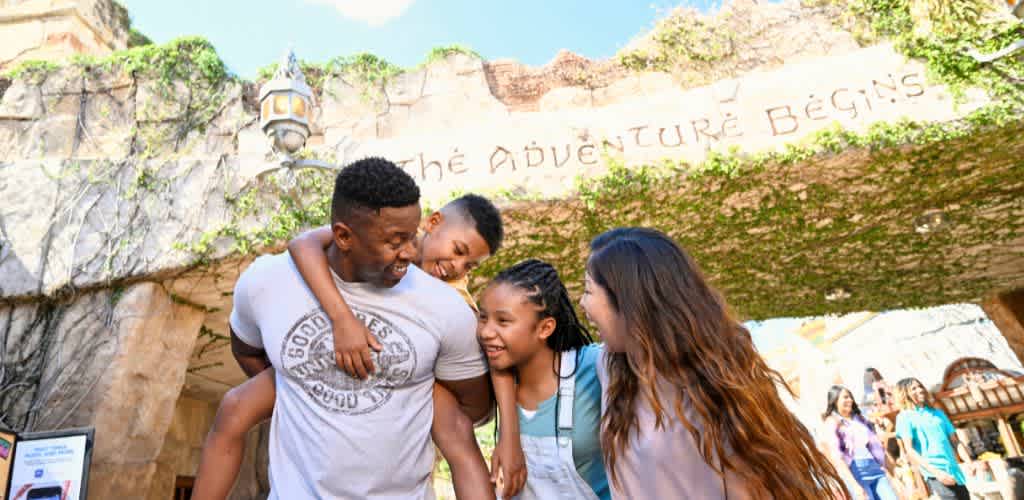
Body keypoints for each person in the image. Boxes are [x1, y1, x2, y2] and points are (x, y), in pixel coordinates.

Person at [196, 157, 494, 499]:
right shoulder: (266, 282)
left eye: (413, 237)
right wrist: (306, 385)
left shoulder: (446, 308)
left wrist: (420, 395)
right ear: (343, 236)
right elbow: (245, 348)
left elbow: (473, 411)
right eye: (395, 241)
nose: (411, 253)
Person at [580, 227, 845, 499]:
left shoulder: (713, 389)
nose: (582, 304)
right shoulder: (612, 369)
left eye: (589, 291)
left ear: (628, 300)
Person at [477, 259, 609, 499]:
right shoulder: (491, 374)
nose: (486, 332)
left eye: (503, 321)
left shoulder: (594, 366)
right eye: (483, 318)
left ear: (545, 328)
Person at [894, 377, 973, 500]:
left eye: (920, 386)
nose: (920, 390)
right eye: (914, 388)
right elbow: (909, 450)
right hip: (934, 473)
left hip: (954, 470)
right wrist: (936, 472)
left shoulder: (938, 413)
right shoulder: (904, 417)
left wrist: (969, 462)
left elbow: (955, 441)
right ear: (905, 394)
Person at [821, 386, 899, 500]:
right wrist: (854, 485)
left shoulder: (859, 418)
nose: (850, 400)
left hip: (875, 467)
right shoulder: (832, 423)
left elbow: (876, 446)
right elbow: (837, 457)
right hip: (856, 472)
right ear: (835, 400)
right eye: (845, 397)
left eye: (850, 397)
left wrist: (893, 472)